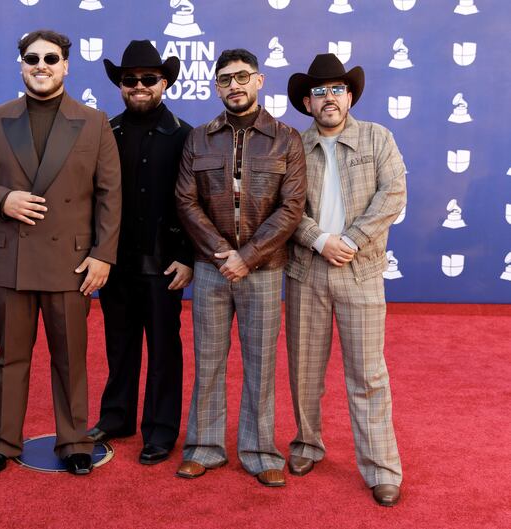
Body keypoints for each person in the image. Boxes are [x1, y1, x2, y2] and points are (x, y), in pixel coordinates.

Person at [0, 29, 121, 476]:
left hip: (72, 263)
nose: (42, 66)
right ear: (21, 65)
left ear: (66, 65)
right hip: (12, 259)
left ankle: (73, 441)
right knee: (10, 356)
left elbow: (110, 195)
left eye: (51, 58)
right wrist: (2, 199)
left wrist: (103, 255)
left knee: (70, 358)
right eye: (32, 58)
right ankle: (3, 441)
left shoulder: (94, 121)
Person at [174, 48, 306, 486]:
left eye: (242, 77)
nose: (235, 85)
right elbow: (186, 201)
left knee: (261, 363)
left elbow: (291, 208)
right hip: (212, 268)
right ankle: (204, 447)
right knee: (208, 360)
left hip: (263, 269)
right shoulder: (198, 138)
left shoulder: (287, 138)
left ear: (259, 80)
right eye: (226, 79)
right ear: (217, 87)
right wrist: (221, 253)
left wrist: (247, 257)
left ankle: (260, 450)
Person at [285, 53, 406, 506]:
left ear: (350, 96)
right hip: (306, 271)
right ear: (307, 102)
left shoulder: (378, 138)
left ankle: (381, 467)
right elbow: (284, 207)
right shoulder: (293, 145)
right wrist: (318, 240)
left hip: (362, 272)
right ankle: (306, 444)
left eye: (337, 89)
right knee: (304, 370)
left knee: (368, 374)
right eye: (319, 92)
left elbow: (392, 194)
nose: (329, 98)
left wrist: (351, 240)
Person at [86, 41, 193, 465]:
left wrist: (187, 255)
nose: (140, 86)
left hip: (165, 264)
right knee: (119, 343)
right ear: (120, 86)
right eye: (130, 80)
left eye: (149, 79)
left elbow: (193, 202)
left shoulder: (185, 134)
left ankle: (161, 429)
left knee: (165, 348)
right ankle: (116, 416)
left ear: (163, 83)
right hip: (115, 263)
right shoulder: (106, 132)